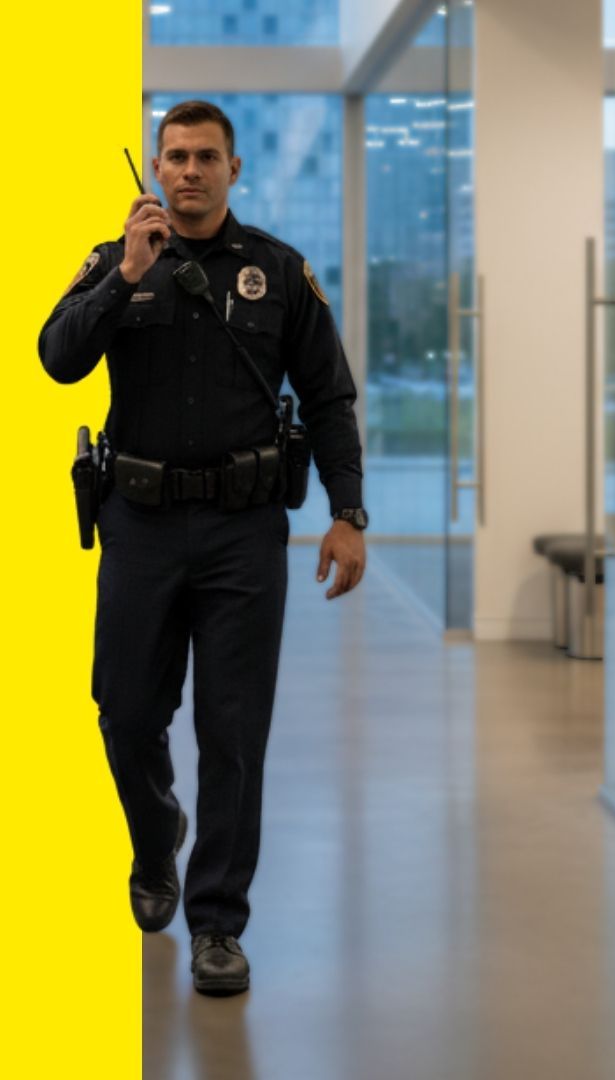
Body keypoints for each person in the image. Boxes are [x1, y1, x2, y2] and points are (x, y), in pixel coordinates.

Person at [39, 100, 368, 996]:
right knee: (125, 713)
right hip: (139, 525)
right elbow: (57, 358)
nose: (189, 171)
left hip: (241, 533)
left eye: (206, 157)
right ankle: (158, 843)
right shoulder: (118, 261)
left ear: (234, 170)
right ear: (155, 165)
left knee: (233, 733)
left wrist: (349, 512)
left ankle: (217, 924)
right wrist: (123, 279)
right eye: (175, 156)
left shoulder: (277, 272)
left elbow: (329, 396)